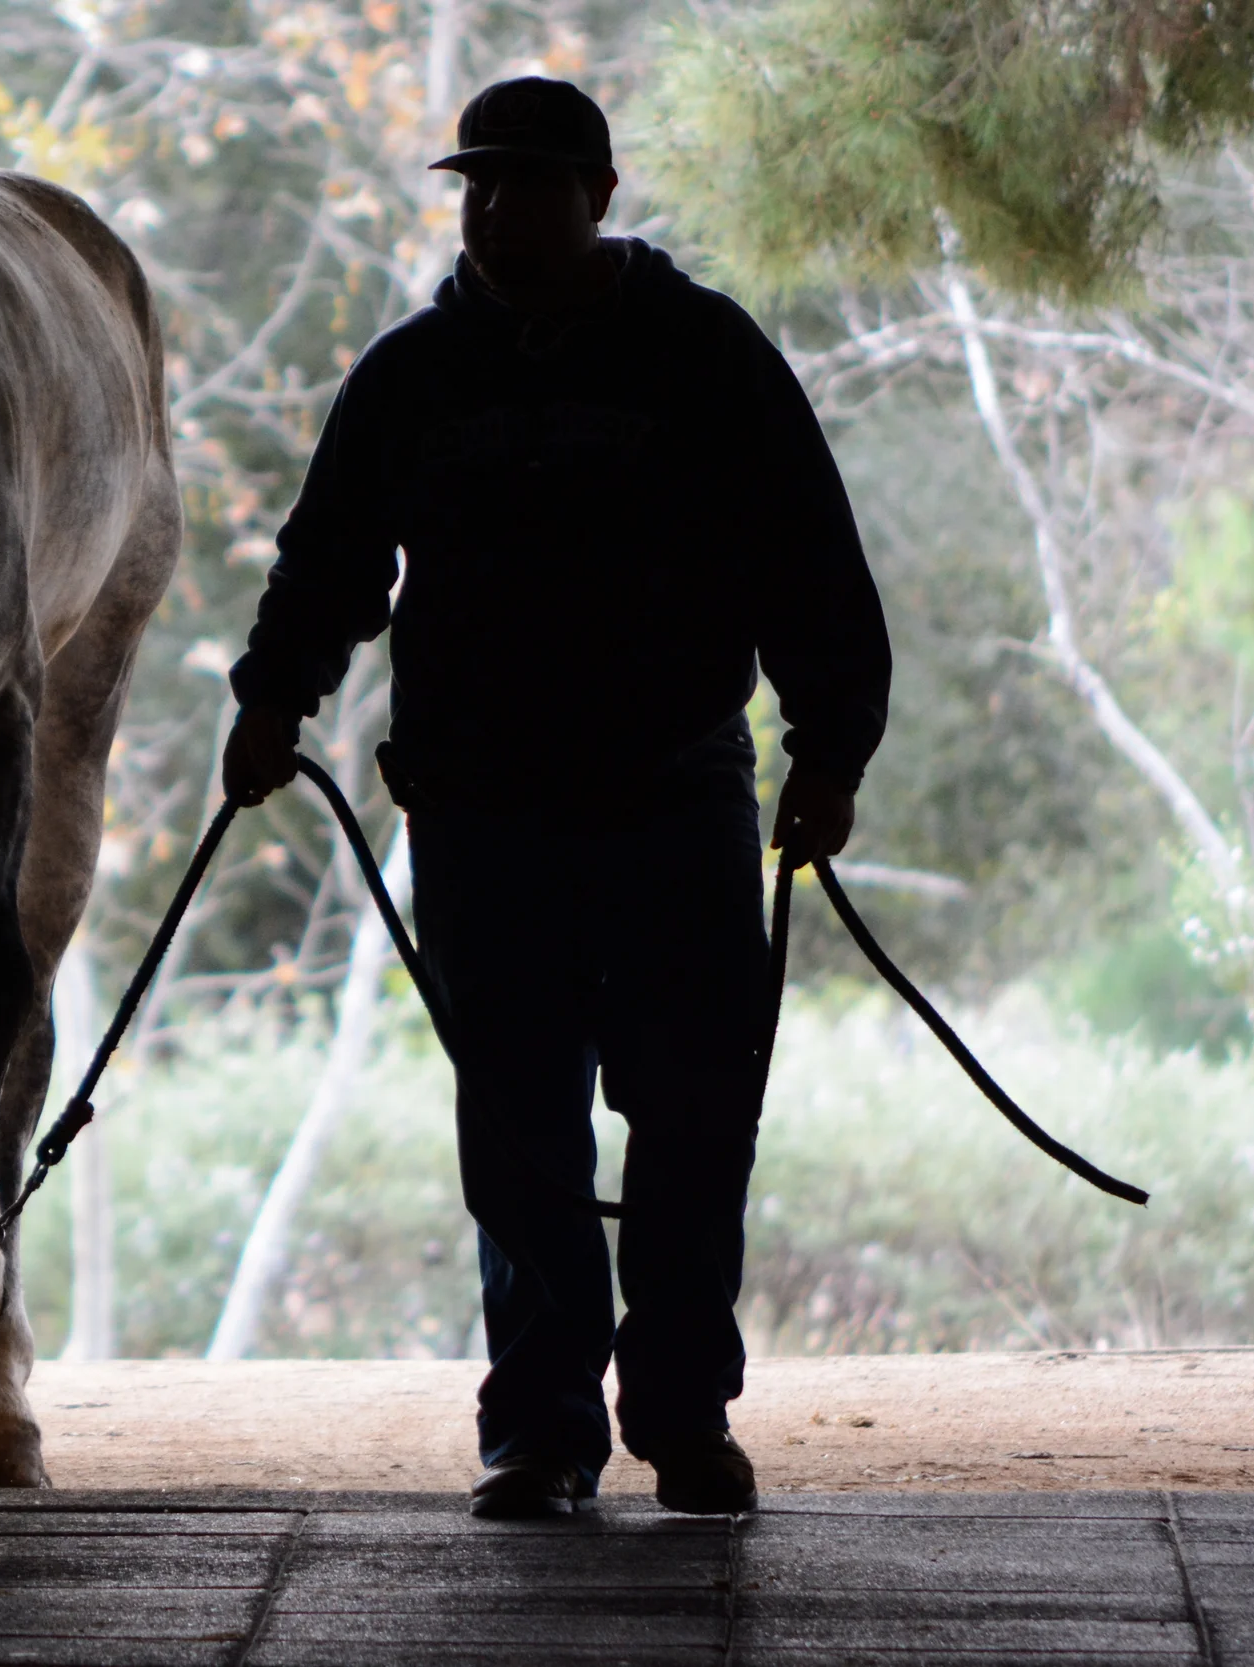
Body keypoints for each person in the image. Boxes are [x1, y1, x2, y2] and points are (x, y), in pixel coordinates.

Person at [221, 77, 892, 1519]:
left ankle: (683, 1417)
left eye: (527, 183)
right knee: (520, 1132)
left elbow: (809, 564)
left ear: (600, 195)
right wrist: (272, 700)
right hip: (485, 816)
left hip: (673, 802)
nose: (496, 209)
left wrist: (831, 753)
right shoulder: (411, 377)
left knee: (693, 1120)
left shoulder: (706, 356)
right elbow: (328, 560)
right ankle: (539, 1430)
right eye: (478, 184)